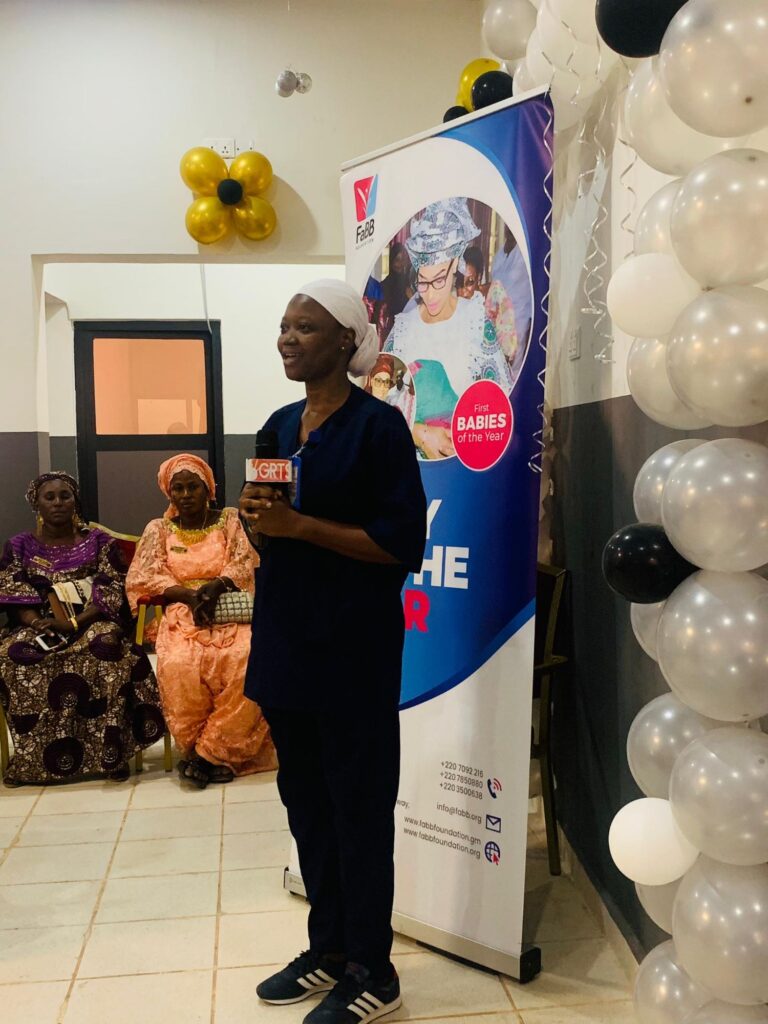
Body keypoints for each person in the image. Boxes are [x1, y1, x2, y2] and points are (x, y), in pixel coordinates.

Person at [240, 279, 426, 1024]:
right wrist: (256, 521)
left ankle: (374, 971)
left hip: (352, 650)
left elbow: (400, 544)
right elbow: (268, 531)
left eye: (306, 327)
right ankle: (328, 950)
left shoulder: (379, 429)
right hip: (286, 645)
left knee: (358, 810)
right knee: (308, 808)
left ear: (347, 339)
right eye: (284, 326)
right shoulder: (278, 425)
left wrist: (302, 528)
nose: (287, 338)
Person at [0, 472, 164, 785]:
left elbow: (111, 588)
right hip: (37, 623)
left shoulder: (99, 542)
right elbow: (12, 591)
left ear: (75, 501)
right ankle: (32, 762)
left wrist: (73, 623)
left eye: (65, 496)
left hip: (91, 620)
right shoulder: (19, 546)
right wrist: (37, 623)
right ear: (36, 503)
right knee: (14, 656)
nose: (58, 502)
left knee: (106, 650)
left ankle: (111, 755)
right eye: (49, 497)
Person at [126, 454, 275, 788]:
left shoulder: (229, 519)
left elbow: (244, 561)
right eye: (177, 488)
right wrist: (188, 596)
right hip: (182, 613)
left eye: (193, 487)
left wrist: (216, 586)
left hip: (229, 607)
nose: (186, 495)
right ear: (169, 493)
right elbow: (144, 575)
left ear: (208, 489)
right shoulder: (158, 529)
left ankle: (210, 754)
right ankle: (199, 751)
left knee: (246, 658)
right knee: (179, 664)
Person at [384, 198, 513, 460]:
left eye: (439, 280)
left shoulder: (475, 321)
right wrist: (418, 432)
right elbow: (379, 405)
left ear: (455, 266)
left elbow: (501, 399)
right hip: (408, 463)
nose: (430, 294)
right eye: (422, 282)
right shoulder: (403, 330)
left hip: (465, 462)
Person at [460, 245, 521, 374]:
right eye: (459, 283)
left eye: (470, 282)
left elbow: (509, 349)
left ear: (479, 277)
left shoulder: (494, 294)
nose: (464, 292)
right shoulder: (455, 302)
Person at [491, 224, 533, 350]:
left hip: (520, 321)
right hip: (499, 323)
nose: (509, 229)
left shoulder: (525, 252)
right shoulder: (499, 255)